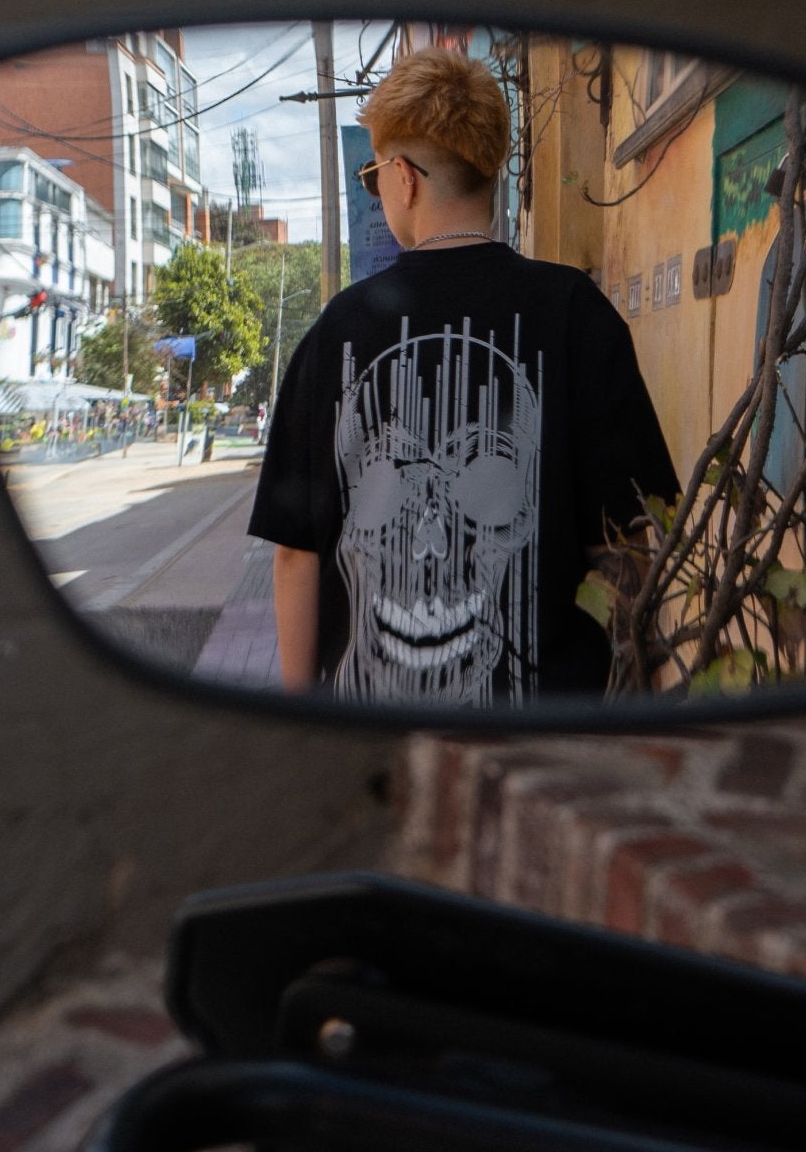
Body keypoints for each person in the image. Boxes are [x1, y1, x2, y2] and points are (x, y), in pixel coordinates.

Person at [249, 47, 677, 703]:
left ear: (404, 177)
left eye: (373, 176)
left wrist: (307, 727)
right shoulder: (575, 314)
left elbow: (295, 555)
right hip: (550, 740)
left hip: (376, 741)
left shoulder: (337, 331)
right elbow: (624, 549)